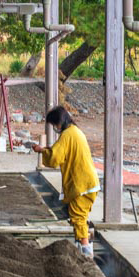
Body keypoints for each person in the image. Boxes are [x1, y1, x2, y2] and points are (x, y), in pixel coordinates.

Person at [25, 106, 100, 257]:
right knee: (80, 217)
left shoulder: (67, 134)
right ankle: (82, 246)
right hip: (89, 182)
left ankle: (86, 253)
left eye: (54, 125)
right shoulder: (75, 132)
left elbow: (54, 158)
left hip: (82, 184)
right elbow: (59, 152)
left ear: (59, 122)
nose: (55, 128)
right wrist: (46, 149)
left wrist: (41, 150)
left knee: (78, 218)